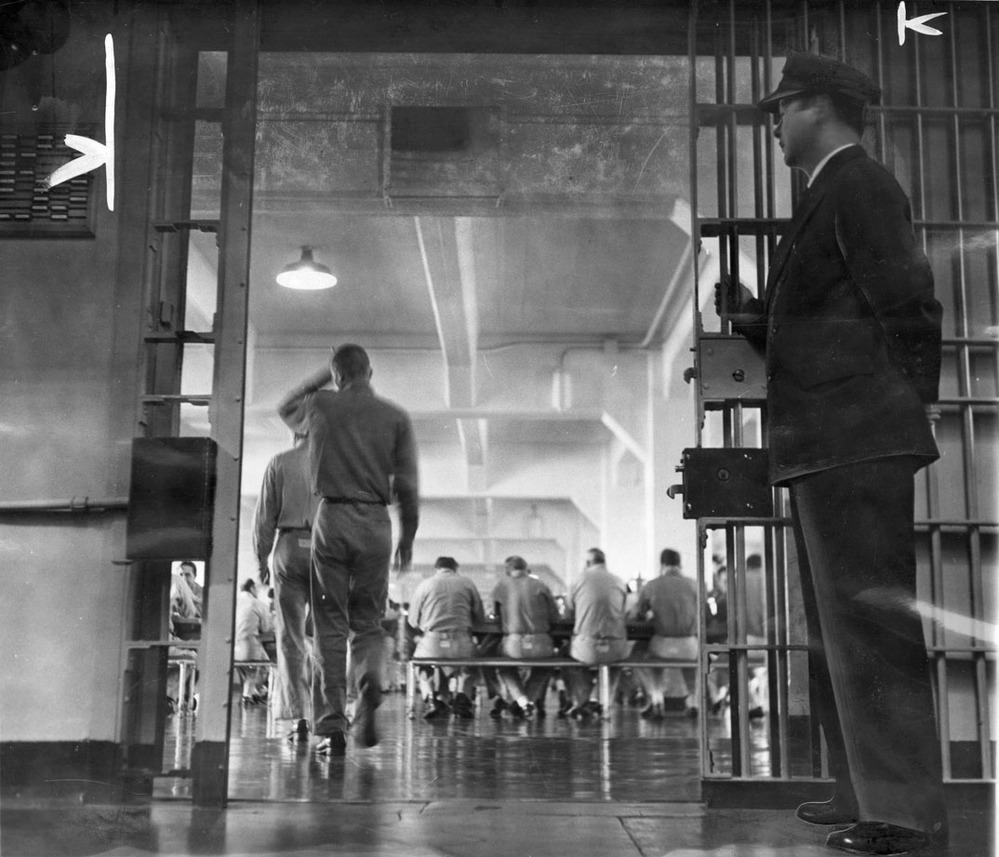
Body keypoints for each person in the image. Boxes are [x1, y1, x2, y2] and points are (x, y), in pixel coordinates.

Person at [716, 51, 946, 855]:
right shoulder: (830, 192)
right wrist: (756, 320)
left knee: (868, 628)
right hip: (827, 445)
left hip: (852, 442)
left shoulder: (857, 185)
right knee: (837, 632)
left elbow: (909, 305)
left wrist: (896, 405)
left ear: (817, 104)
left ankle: (904, 814)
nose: (773, 124)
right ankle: (860, 791)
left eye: (780, 108)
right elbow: (833, 320)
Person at [278, 343, 419, 755]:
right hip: (376, 523)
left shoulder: (321, 404)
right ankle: (369, 679)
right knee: (368, 622)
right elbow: (407, 484)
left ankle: (332, 726)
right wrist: (408, 536)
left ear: (338, 375)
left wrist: (327, 375)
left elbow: (286, 407)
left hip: (333, 518)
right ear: (370, 373)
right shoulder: (395, 416)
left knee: (330, 624)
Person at [253, 432, 320, 742]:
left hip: (289, 547)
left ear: (295, 433)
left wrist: (261, 561)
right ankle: (328, 717)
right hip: (327, 549)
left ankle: (299, 718)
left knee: (290, 638)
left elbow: (264, 519)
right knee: (327, 637)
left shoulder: (279, 463)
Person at [407, 556, 485, 719]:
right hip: (461, 640)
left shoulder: (425, 584)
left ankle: (431, 699)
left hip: (432, 642)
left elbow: (412, 620)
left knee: (422, 666)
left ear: (436, 568)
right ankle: (462, 697)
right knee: (470, 666)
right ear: (455, 568)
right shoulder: (467, 583)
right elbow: (479, 616)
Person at [563, 548, 633, 718]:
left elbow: (569, 612)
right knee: (616, 663)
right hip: (615, 646)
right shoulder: (619, 582)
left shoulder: (577, 581)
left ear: (587, 563)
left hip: (586, 646)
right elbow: (626, 611)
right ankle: (597, 699)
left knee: (566, 656)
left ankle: (582, 701)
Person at [631, 548, 699, 719]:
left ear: (662, 565)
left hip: (664, 644)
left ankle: (656, 700)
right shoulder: (694, 585)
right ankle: (693, 703)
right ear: (680, 565)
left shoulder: (651, 585)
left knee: (642, 656)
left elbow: (638, 614)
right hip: (690, 645)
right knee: (690, 665)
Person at [491, 555, 560, 719]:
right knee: (544, 667)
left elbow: (494, 615)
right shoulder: (540, 585)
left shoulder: (501, 586)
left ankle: (522, 701)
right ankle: (526, 702)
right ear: (526, 569)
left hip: (513, 644)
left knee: (504, 667)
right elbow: (555, 617)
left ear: (508, 571)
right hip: (541, 643)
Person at [234, 579, 273, 705]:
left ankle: (253, 692)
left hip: (231, 649)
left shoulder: (233, 601)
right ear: (252, 589)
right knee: (265, 667)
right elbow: (266, 628)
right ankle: (249, 695)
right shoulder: (257, 603)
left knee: (248, 671)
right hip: (248, 648)